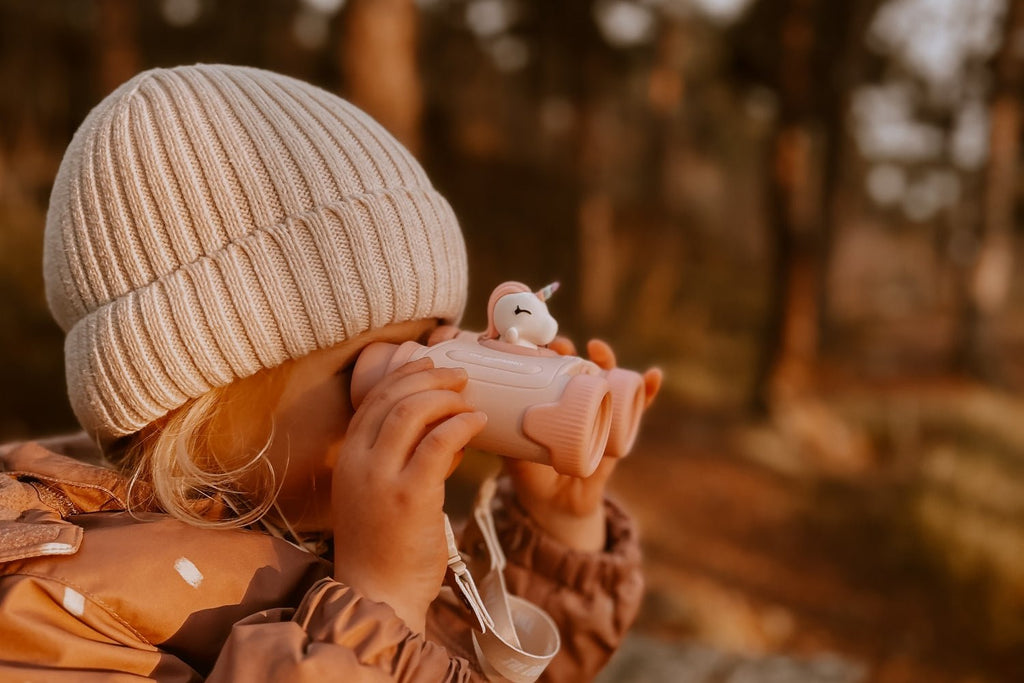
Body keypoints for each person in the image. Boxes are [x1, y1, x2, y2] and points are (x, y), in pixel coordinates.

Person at [0, 64, 657, 681]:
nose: (412, 392)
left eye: (434, 347)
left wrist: (556, 528)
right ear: (183, 399)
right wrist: (378, 609)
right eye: (371, 371)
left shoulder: (308, 526)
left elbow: (460, 663)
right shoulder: (50, 598)